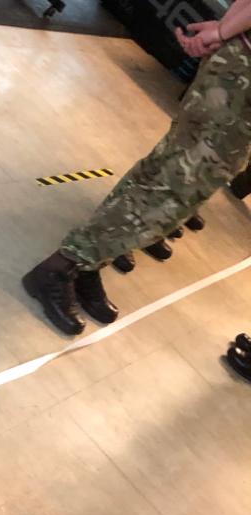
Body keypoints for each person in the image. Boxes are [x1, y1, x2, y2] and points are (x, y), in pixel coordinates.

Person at [22, 1, 251, 336]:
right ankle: (63, 266)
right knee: (177, 187)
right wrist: (222, 31)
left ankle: (88, 261)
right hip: (243, 78)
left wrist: (225, 31)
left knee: (163, 170)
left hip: (239, 67)